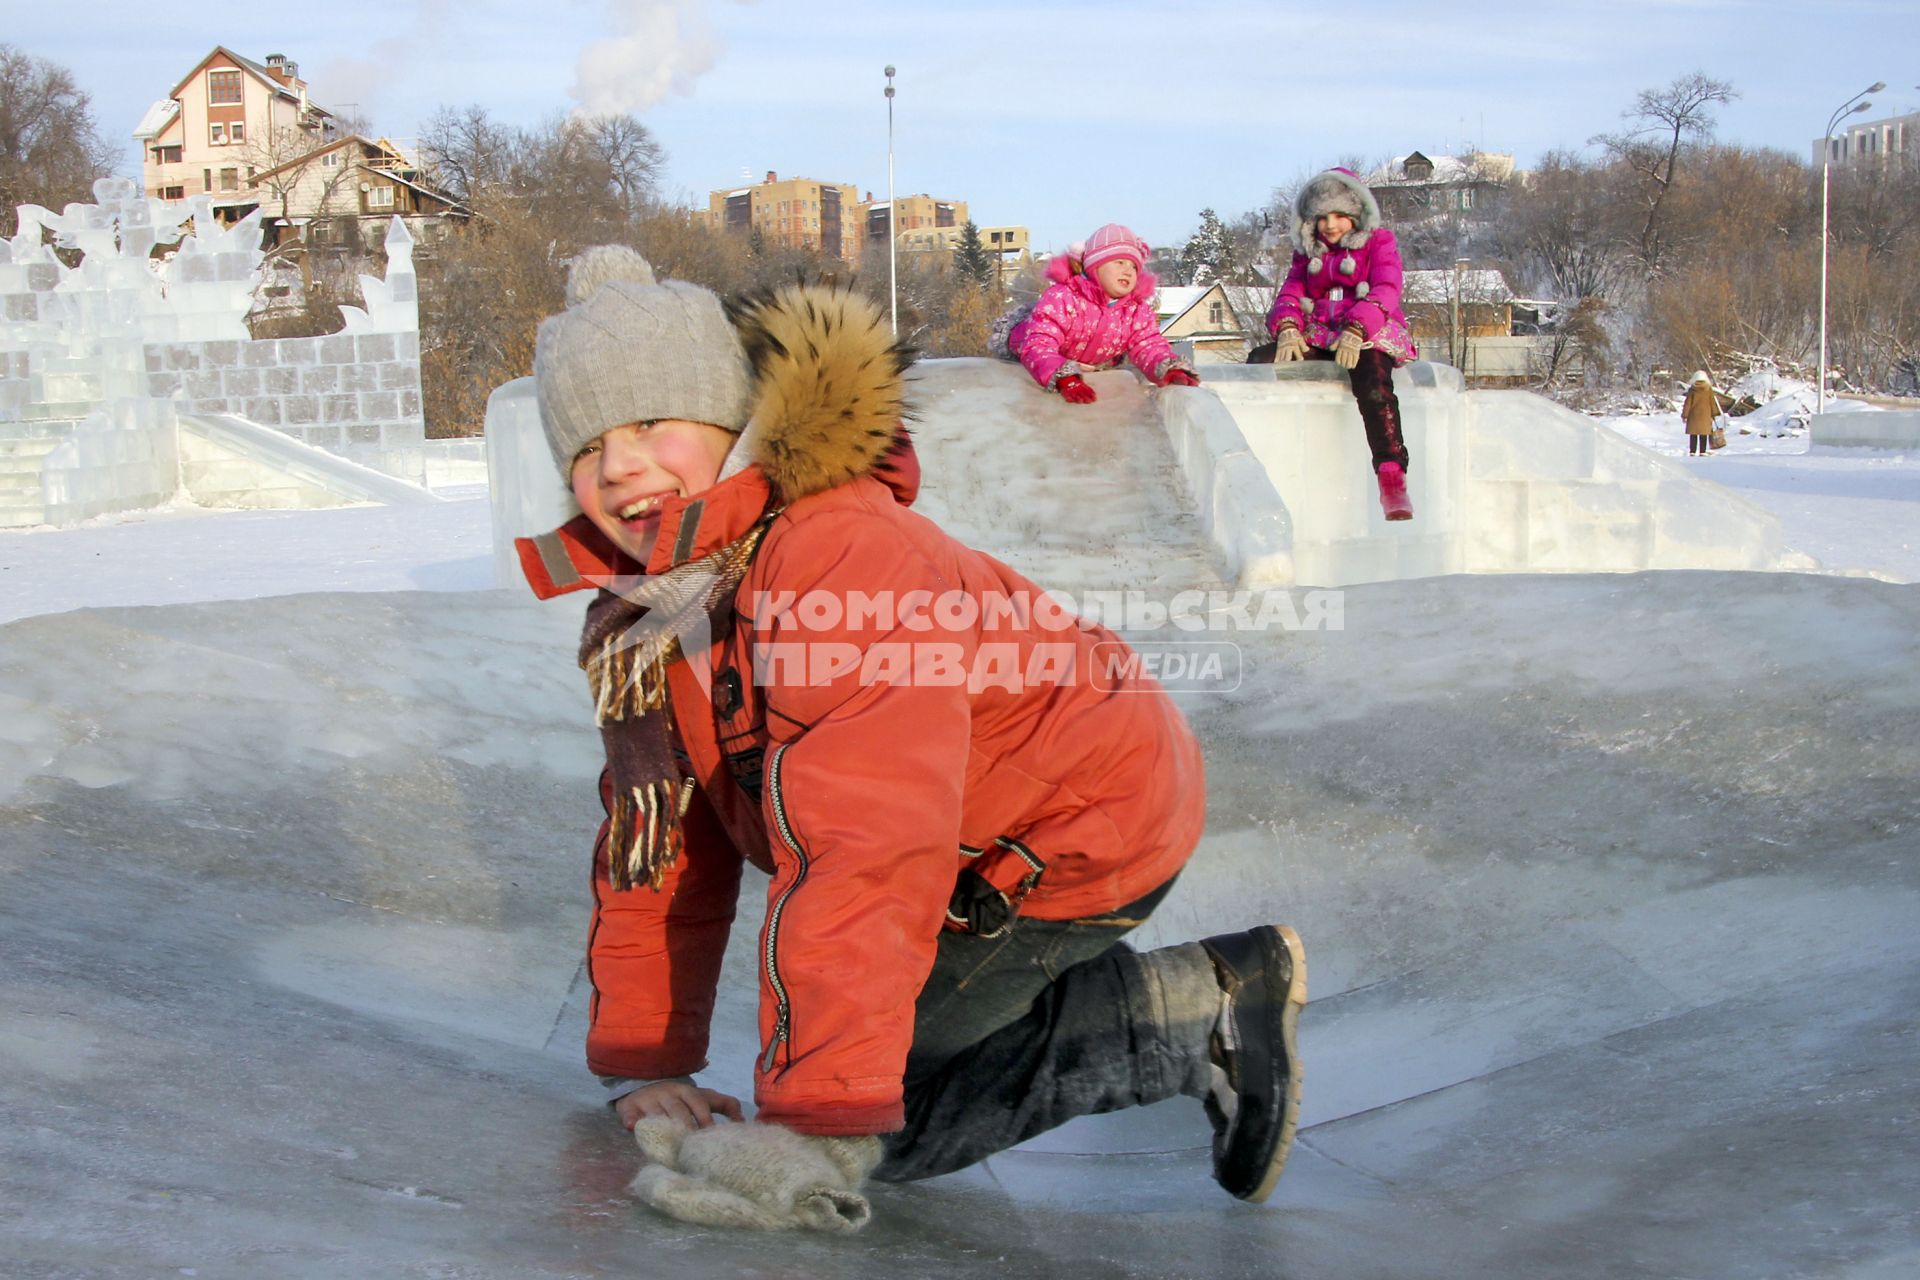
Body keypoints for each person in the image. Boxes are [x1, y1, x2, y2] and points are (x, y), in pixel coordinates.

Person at [516, 246, 1305, 1233]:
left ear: (731, 424)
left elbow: (869, 837)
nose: (619, 465)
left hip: (1084, 812)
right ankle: (1095, 1008)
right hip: (975, 822)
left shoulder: (839, 555)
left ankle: (1198, 1009)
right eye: (586, 448)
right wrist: (650, 1060)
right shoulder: (650, 614)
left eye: (651, 424)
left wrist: (819, 1120)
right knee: (852, 1067)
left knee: (886, 1119)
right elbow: (661, 844)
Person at [1267, 168, 1418, 521]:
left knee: (1373, 381)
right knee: (1267, 360)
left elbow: (1387, 287)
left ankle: (1391, 473)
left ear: (1356, 215)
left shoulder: (1379, 243)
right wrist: (1288, 324)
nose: (1330, 225)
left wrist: (1358, 327)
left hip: (1367, 331)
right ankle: (1276, 458)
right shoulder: (1307, 254)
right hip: (1322, 330)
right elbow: (1291, 291)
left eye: (1339, 216)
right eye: (1322, 217)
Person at [994, 222, 1199, 402]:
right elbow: (1039, 342)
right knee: (1032, 332)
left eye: (1134, 267)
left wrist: (1168, 368)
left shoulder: (1135, 311)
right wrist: (1062, 376)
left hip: (1093, 361)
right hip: (1035, 348)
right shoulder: (1063, 298)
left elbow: (1149, 345)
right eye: (1119, 262)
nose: (1128, 270)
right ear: (1095, 267)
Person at [1683, 370, 1719, 457]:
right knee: (1704, 434)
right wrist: (1714, 413)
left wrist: (1685, 415)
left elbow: (1688, 403)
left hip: (1693, 416)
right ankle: (1702, 451)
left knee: (1693, 434)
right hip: (1705, 416)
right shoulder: (1708, 389)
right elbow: (1712, 402)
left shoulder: (1692, 390)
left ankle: (1692, 451)